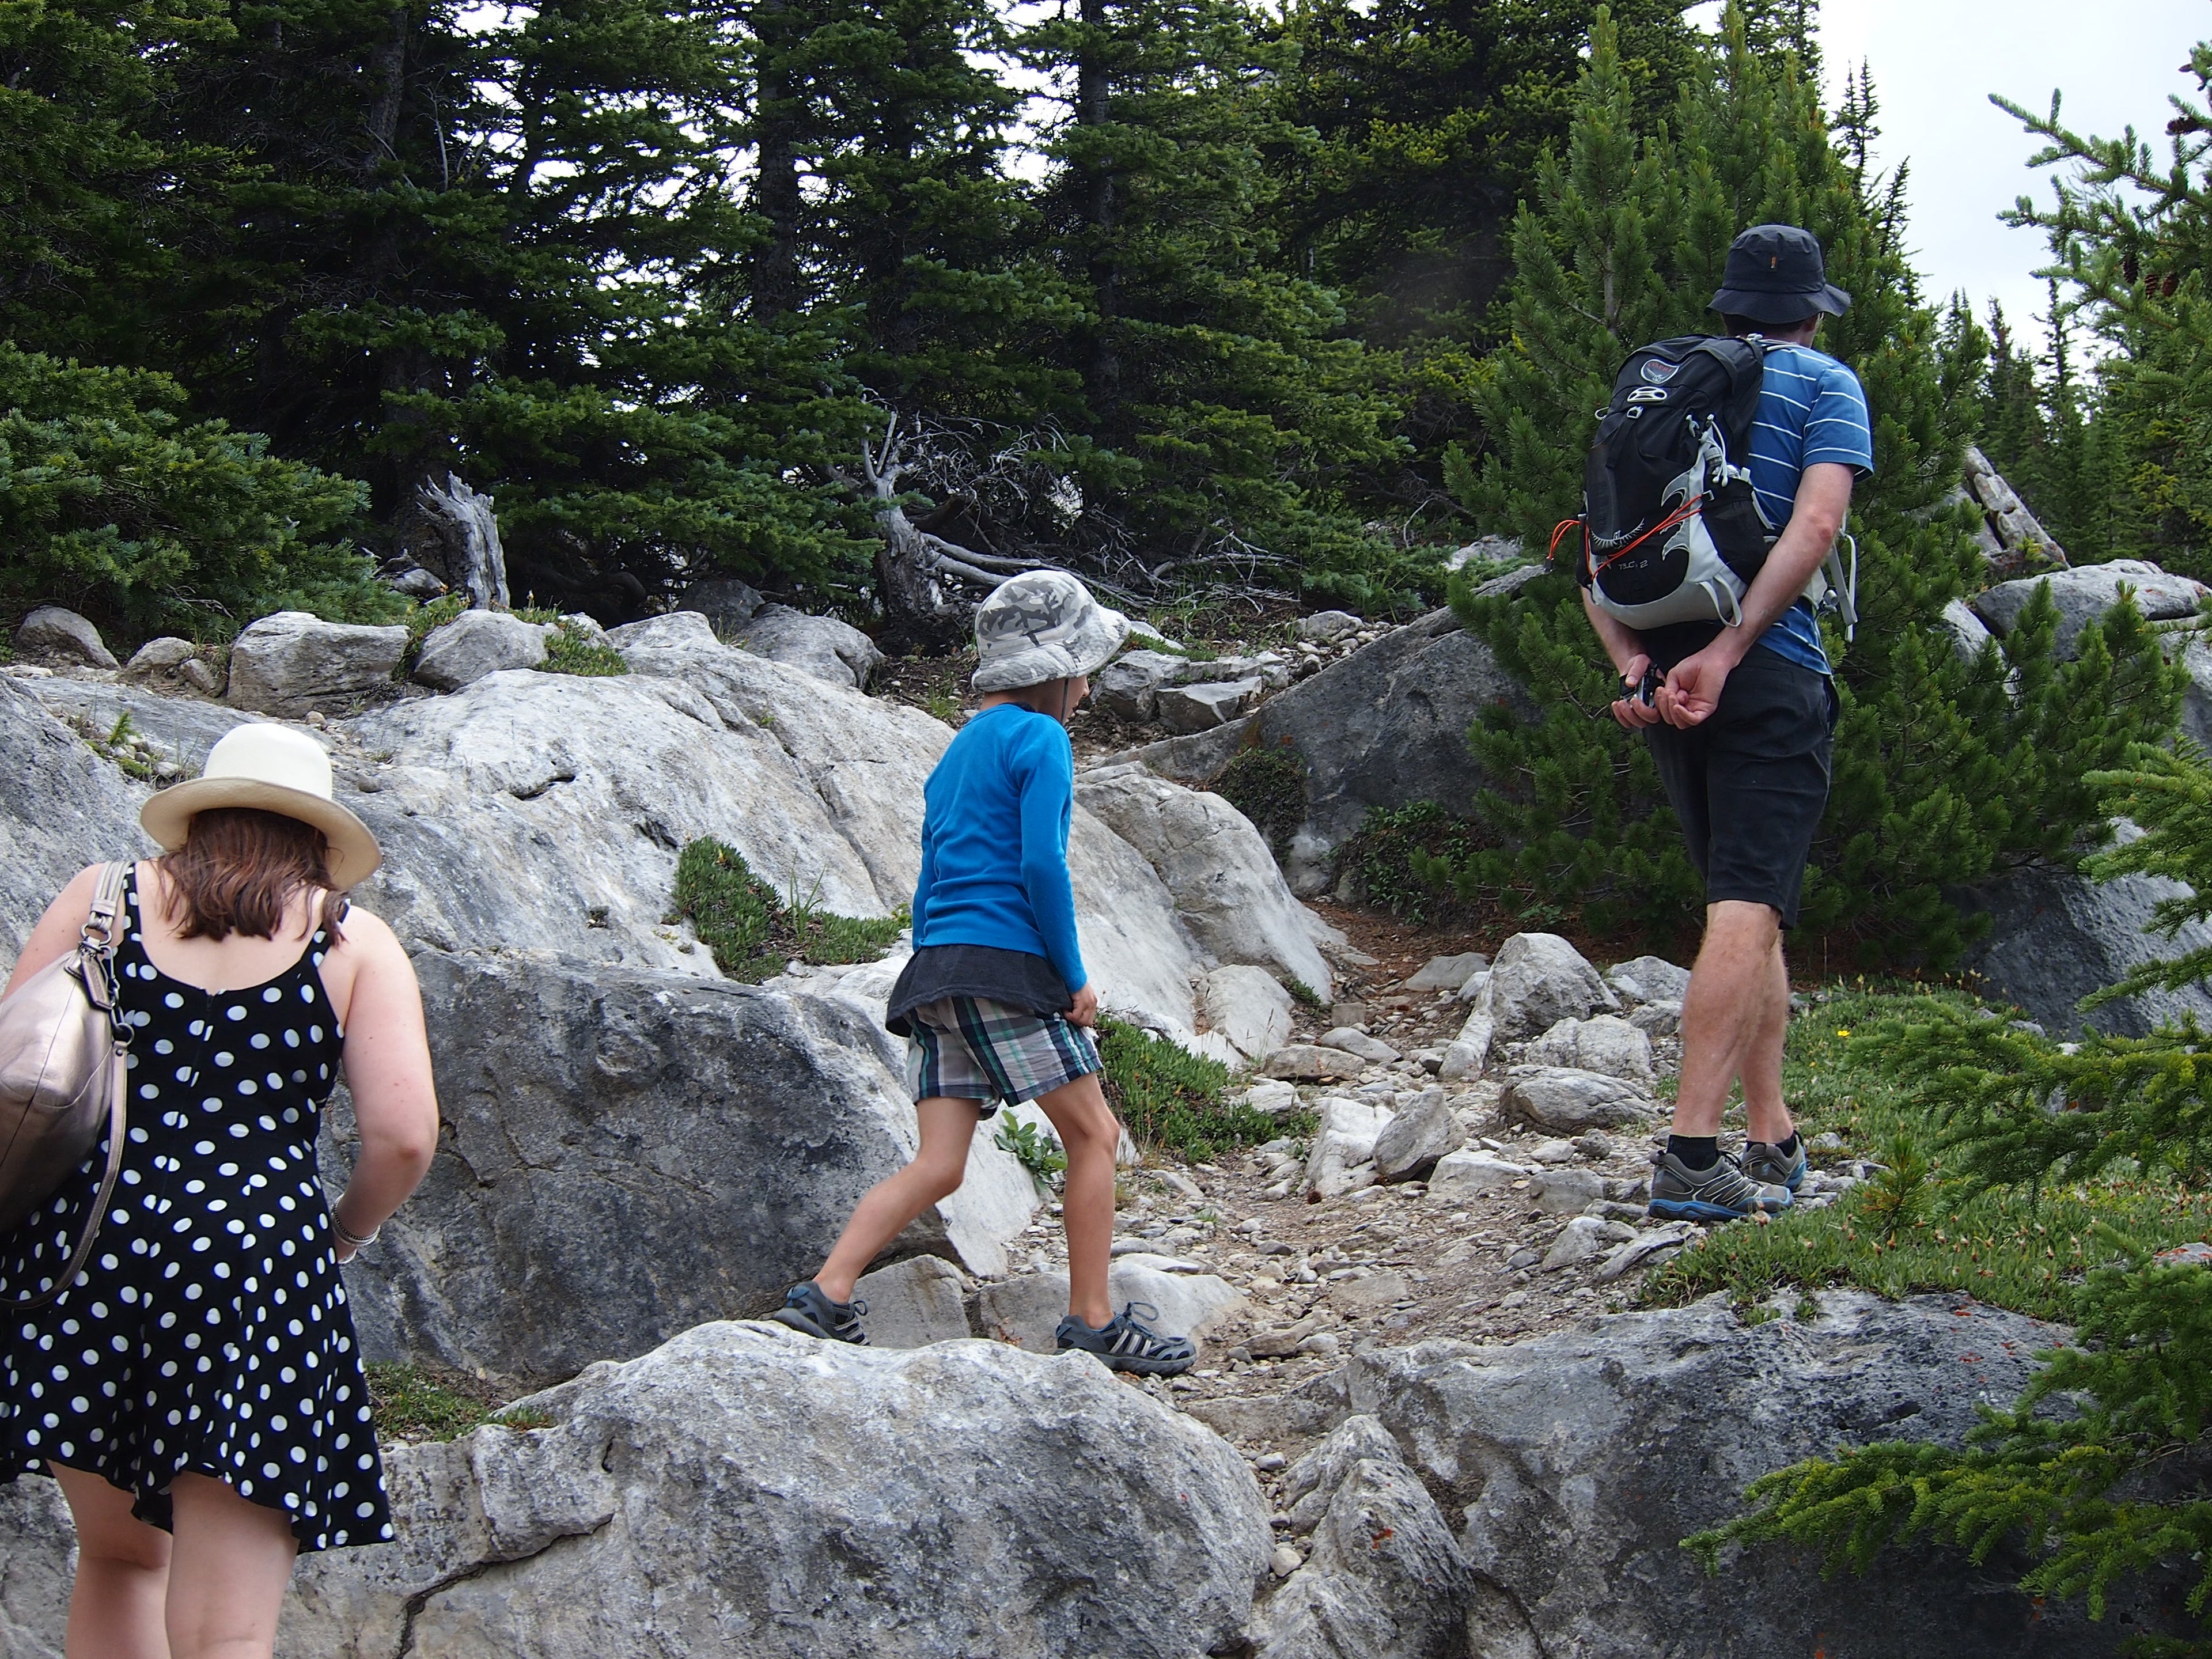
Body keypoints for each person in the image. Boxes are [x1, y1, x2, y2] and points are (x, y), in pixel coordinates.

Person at [0, 722, 439, 1658]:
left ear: (197, 820)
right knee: (225, 1632)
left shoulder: (103, 897)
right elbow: (403, 1137)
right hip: (253, 1266)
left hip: (86, 1247)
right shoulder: (351, 940)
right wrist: (345, 1236)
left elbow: (16, 1064)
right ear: (319, 842)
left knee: (118, 1562)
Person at [772, 570, 1196, 1374]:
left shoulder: (959, 748)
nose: (1087, 690)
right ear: (1059, 669)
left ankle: (825, 1295)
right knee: (1096, 1134)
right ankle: (1094, 1320)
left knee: (939, 1164)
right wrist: (1072, 977)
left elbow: (931, 878)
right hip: (1007, 965)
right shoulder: (1042, 739)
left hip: (935, 974)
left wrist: (932, 967)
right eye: (1085, 673)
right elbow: (1042, 864)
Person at [1585, 224, 1874, 1223]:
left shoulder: (1661, 388)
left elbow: (1596, 549)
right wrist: (1739, 645)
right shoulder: (1826, 386)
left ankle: (1770, 1131)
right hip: (1761, 669)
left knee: (1748, 905)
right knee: (1749, 906)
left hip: (1666, 678)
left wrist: (1637, 660)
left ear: (1728, 309)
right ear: (1811, 310)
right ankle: (1691, 1153)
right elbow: (1820, 525)